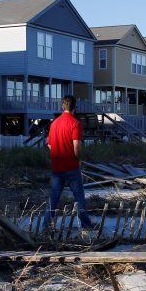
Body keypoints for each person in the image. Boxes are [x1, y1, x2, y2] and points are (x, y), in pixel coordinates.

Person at [42, 95, 95, 231]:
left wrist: (58, 153)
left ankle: (46, 226)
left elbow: (50, 145)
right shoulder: (75, 123)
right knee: (79, 198)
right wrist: (78, 159)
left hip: (57, 167)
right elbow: (76, 146)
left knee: (53, 199)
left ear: (62, 106)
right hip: (71, 167)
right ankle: (86, 226)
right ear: (74, 108)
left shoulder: (54, 123)